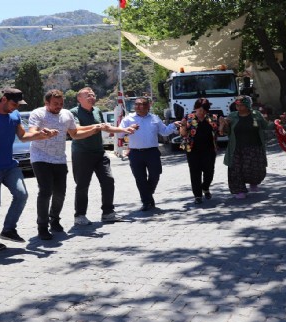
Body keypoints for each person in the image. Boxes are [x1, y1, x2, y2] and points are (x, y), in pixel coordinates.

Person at [0, 88, 54, 247]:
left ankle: (8, 230)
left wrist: (42, 135)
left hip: (9, 166)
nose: (16, 107)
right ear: (3, 99)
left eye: (18, 104)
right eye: (14, 103)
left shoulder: (14, 115)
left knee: (21, 194)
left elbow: (23, 137)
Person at [27, 89, 103, 240]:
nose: (59, 106)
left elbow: (75, 134)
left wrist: (94, 131)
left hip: (59, 159)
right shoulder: (38, 113)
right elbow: (31, 132)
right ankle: (42, 226)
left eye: (61, 103)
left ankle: (54, 218)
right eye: (55, 104)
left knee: (60, 193)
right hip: (40, 157)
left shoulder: (67, 114)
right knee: (45, 191)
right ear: (46, 103)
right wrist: (44, 132)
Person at [69, 87, 134, 225]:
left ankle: (108, 213)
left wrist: (124, 129)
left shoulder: (97, 110)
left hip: (99, 152)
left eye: (93, 94)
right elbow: (75, 130)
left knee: (108, 180)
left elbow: (105, 127)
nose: (91, 97)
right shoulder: (73, 112)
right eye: (87, 95)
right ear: (79, 99)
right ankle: (80, 216)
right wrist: (96, 127)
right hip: (82, 153)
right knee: (82, 185)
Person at [117, 97, 179, 211]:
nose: (138, 107)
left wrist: (174, 125)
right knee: (140, 179)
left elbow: (164, 131)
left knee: (155, 174)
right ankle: (146, 201)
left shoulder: (154, 118)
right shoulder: (128, 119)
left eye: (142, 104)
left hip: (152, 152)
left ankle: (148, 196)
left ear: (148, 106)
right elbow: (119, 134)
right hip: (135, 153)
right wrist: (128, 129)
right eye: (136, 104)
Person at [220, 95, 275, 199]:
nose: (239, 107)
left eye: (241, 105)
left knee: (256, 170)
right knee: (236, 170)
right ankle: (239, 190)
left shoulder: (256, 115)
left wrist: (277, 123)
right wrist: (223, 125)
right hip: (237, 148)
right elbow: (226, 131)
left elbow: (266, 125)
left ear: (248, 105)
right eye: (237, 105)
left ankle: (253, 182)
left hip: (254, 147)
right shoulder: (232, 116)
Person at [178, 97, 219, 204]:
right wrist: (182, 126)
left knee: (209, 171)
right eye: (199, 110)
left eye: (204, 110)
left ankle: (205, 187)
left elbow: (220, 132)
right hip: (193, 150)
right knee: (195, 172)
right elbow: (183, 134)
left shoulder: (213, 118)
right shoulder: (188, 118)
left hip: (209, 149)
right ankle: (197, 195)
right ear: (195, 108)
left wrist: (223, 124)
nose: (201, 112)